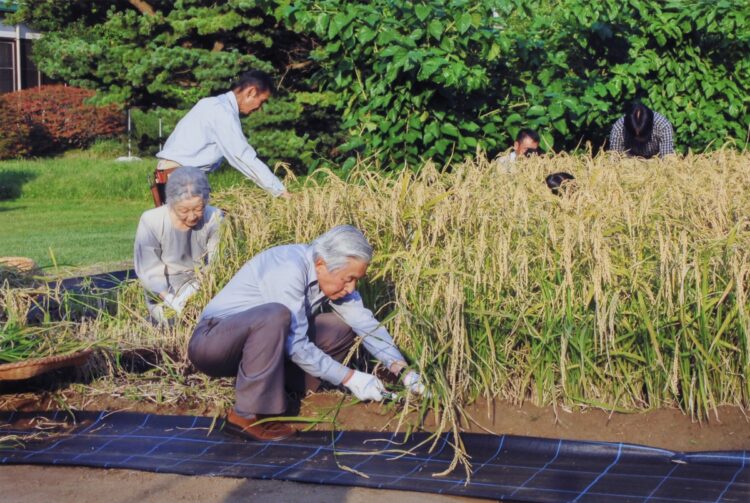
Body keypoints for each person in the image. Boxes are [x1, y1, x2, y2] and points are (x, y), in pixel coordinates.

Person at [188, 225, 425, 441]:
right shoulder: (287, 268)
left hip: (257, 347)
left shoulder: (332, 276)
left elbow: (363, 321)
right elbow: (296, 343)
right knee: (276, 315)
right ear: (321, 264)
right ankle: (245, 416)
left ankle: (286, 389)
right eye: (348, 279)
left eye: (356, 281)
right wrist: (349, 377)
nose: (351, 288)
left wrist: (400, 368)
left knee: (340, 328)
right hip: (213, 343)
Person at [150, 69, 290, 206]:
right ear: (251, 92)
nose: (260, 108)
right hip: (182, 179)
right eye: (262, 101)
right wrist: (280, 191)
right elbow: (242, 156)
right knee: (213, 224)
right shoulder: (222, 112)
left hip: (175, 176)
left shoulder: (213, 104)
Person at [135, 167, 223, 324]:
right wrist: (172, 300)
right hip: (164, 290)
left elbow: (217, 261)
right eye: (183, 210)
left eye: (198, 209)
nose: (191, 216)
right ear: (171, 203)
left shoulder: (214, 218)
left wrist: (198, 289)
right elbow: (148, 269)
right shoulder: (152, 221)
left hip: (203, 284)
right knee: (172, 323)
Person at [609, 102, 674, 158]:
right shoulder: (618, 129)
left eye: (643, 135)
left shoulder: (663, 126)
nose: (639, 139)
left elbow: (667, 158)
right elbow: (615, 159)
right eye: (635, 136)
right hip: (628, 163)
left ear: (651, 125)